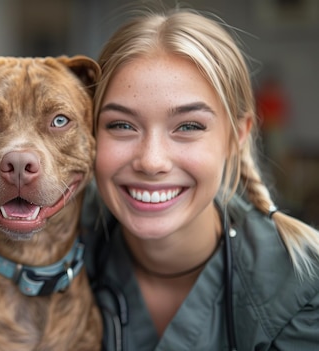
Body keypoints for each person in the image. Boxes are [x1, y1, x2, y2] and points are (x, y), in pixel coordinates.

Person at [81, 7, 319, 351]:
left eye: (189, 127)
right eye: (121, 125)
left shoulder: (301, 290)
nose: (151, 161)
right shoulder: (53, 247)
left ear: (236, 137)